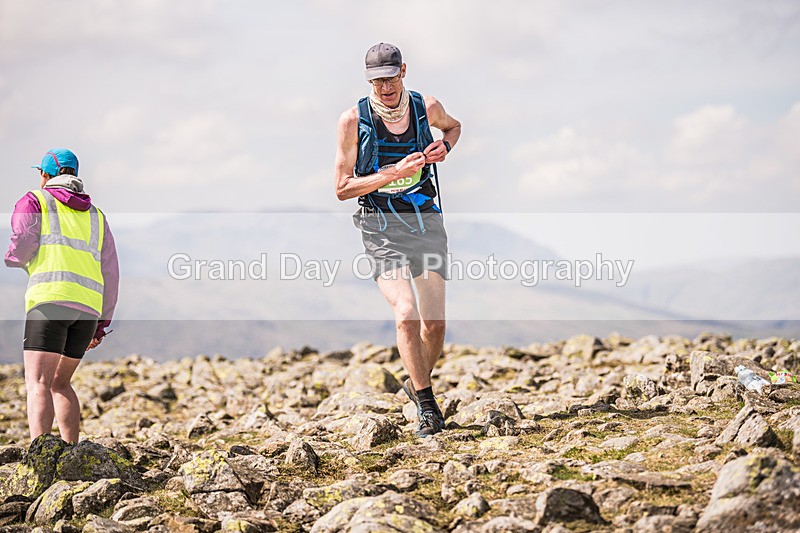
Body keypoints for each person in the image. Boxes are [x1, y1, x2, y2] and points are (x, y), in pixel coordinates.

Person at [335, 43, 461, 437]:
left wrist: (445, 147)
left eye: (390, 78)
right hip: (380, 225)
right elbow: (342, 188)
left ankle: (414, 380)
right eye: (377, 81)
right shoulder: (354, 119)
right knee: (405, 312)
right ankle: (427, 405)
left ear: (403, 71)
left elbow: (454, 128)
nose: (385, 87)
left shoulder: (427, 107)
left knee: (435, 326)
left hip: (424, 219)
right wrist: (392, 173)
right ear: (367, 80)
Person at [5, 148, 119, 444]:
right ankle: (71, 451)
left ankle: (40, 456)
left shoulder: (35, 200)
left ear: (45, 175)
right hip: (88, 311)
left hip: (50, 303)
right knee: (60, 382)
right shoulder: (97, 217)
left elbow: (22, 240)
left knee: (39, 382)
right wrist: (101, 324)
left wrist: (16, 257)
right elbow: (111, 274)